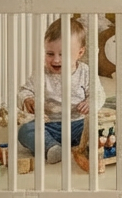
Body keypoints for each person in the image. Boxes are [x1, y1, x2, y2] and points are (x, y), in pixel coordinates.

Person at [17, 16, 106, 163]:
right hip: (48, 125)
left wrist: (91, 101)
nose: (55, 60)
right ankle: (52, 148)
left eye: (62, 54)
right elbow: (25, 90)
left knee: (97, 126)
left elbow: (98, 92)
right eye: (50, 54)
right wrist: (28, 99)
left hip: (78, 124)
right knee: (25, 131)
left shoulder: (85, 72)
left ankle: (90, 146)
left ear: (80, 53)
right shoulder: (41, 73)